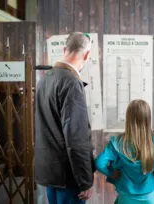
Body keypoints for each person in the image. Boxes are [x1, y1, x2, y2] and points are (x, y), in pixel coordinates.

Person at [35, 32, 95, 204]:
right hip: (68, 177)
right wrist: (85, 180)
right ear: (87, 54)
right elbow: (76, 137)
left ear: (64, 49)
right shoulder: (71, 82)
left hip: (49, 174)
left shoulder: (45, 79)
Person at [95, 99, 154, 204]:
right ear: (148, 119)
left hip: (126, 194)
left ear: (128, 118)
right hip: (149, 196)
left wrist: (111, 173)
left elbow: (99, 163)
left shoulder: (117, 142)